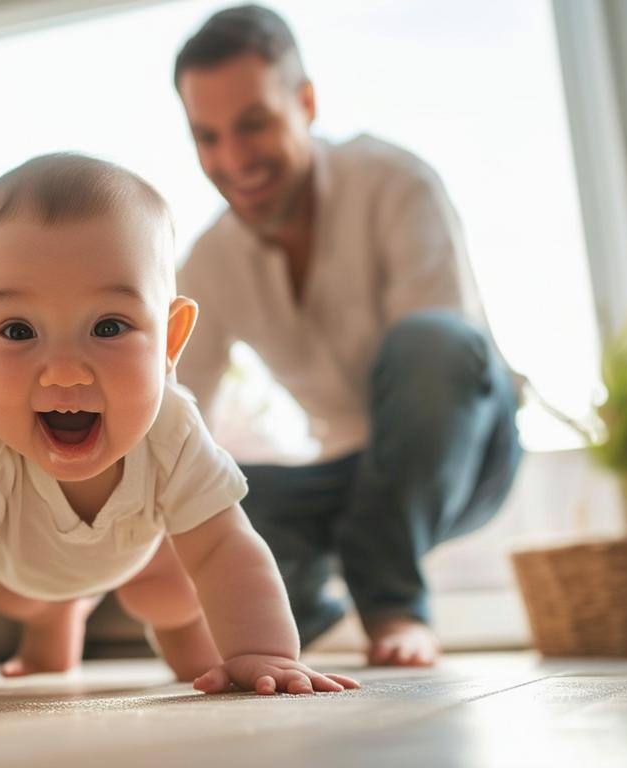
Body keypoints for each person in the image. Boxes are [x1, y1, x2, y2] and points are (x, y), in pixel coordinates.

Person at [0, 153, 360, 727]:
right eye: (18, 330)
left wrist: (266, 652)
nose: (63, 371)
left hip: (120, 547)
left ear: (171, 338)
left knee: (189, 608)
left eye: (108, 327)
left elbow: (226, 548)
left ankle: (111, 620)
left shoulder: (173, 430)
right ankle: (53, 617)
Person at [173, 5, 523, 666]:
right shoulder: (207, 262)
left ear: (305, 102)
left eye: (254, 124)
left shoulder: (395, 182)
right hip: (343, 481)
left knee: (431, 343)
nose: (233, 159)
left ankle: (393, 603)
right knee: (218, 493)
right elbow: (174, 413)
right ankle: (302, 614)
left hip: (466, 450)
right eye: (207, 137)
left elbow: (441, 363)